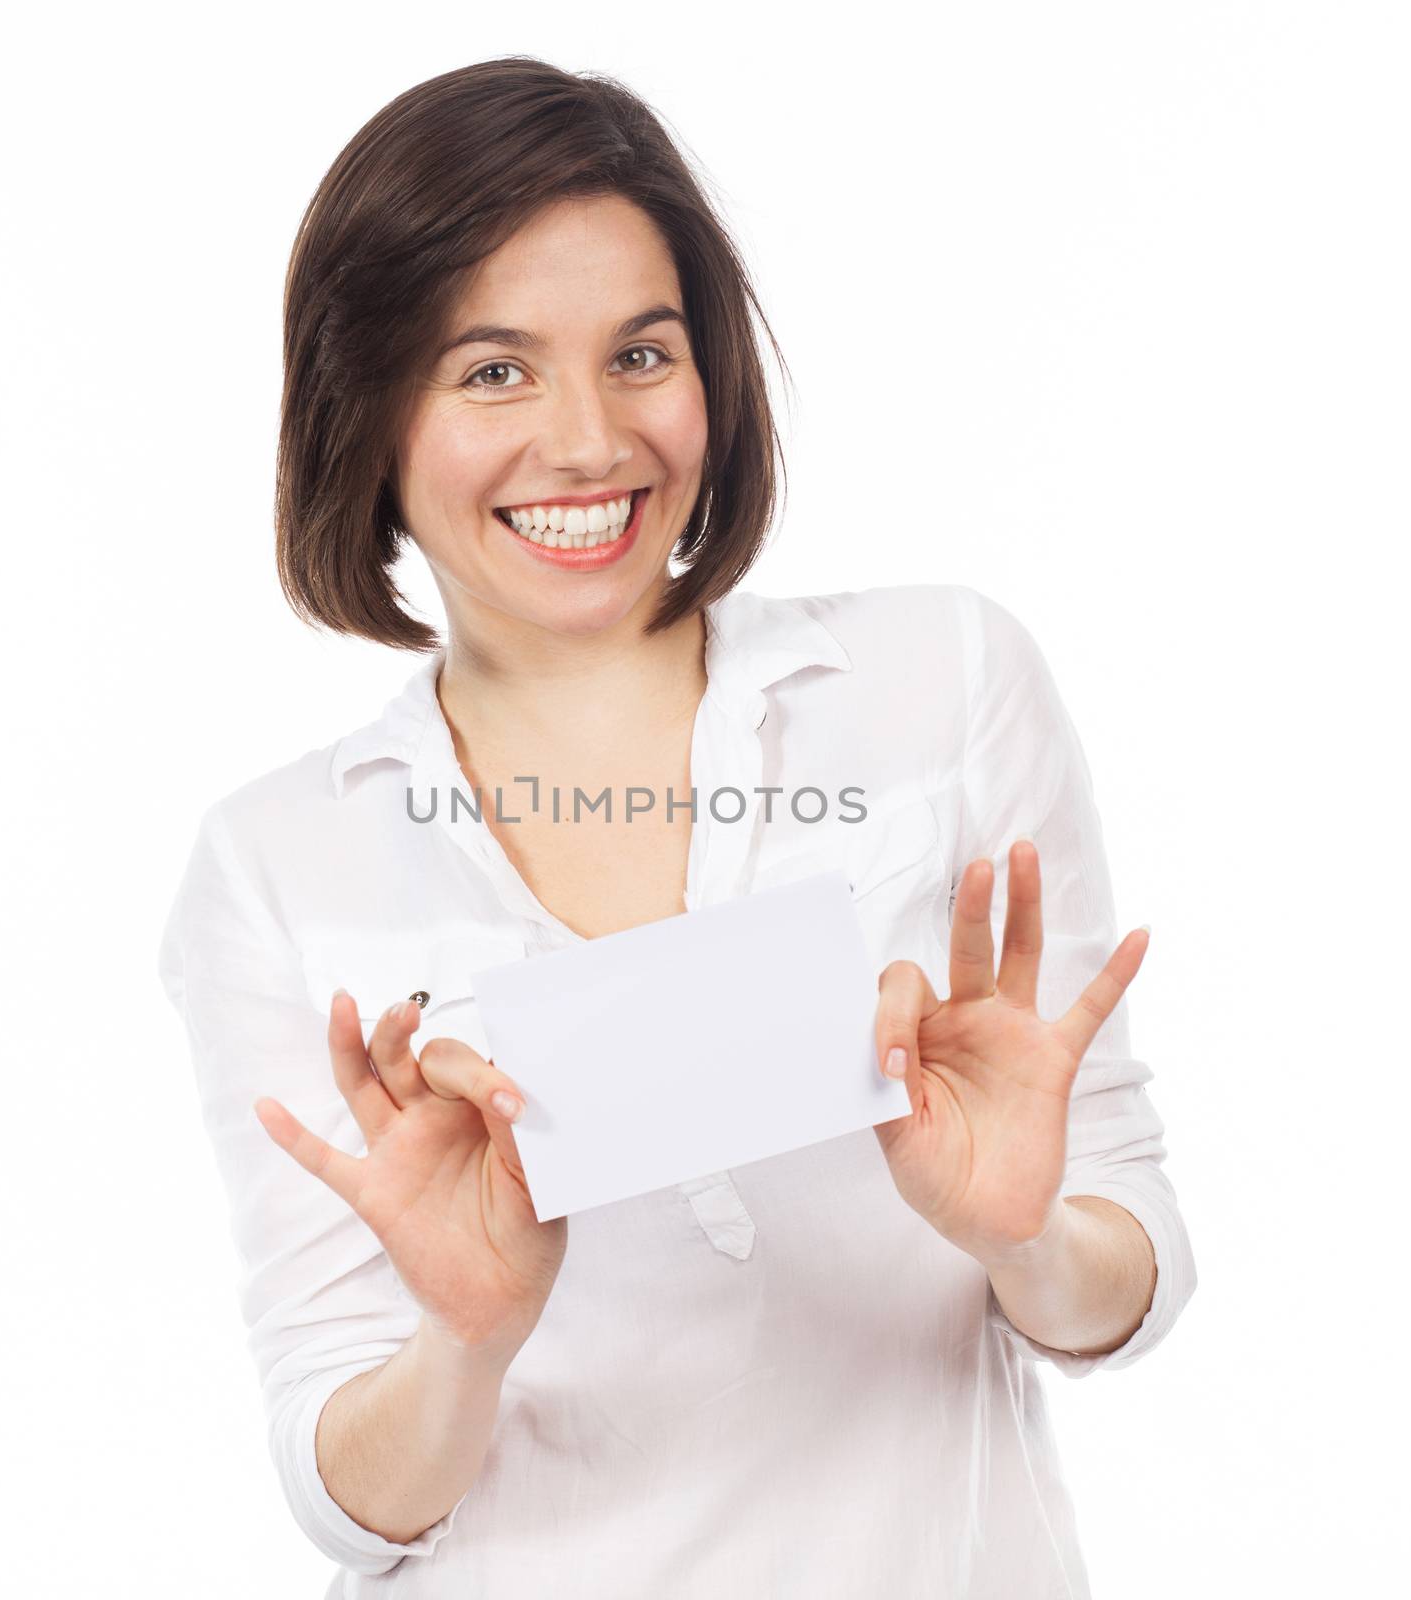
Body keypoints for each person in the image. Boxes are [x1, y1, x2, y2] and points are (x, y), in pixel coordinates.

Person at [157, 56, 1197, 1600]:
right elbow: (345, 1484)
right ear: (365, 412)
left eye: (640, 354)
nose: (586, 443)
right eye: (492, 371)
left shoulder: (941, 682)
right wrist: (467, 1336)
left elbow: (1129, 1278)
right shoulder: (271, 866)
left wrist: (1022, 1230)